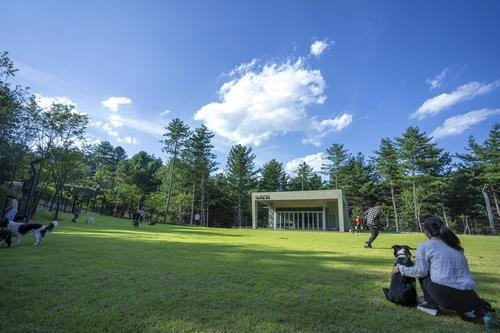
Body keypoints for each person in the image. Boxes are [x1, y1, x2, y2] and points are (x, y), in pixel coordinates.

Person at [393, 216, 493, 328]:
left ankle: (430, 305)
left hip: (447, 296)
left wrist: (401, 269)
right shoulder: (455, 246)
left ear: (426, 231)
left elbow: (420, 272)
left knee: (425, 273)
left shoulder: (425, 246)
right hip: (470, 295)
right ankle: (470, 310)